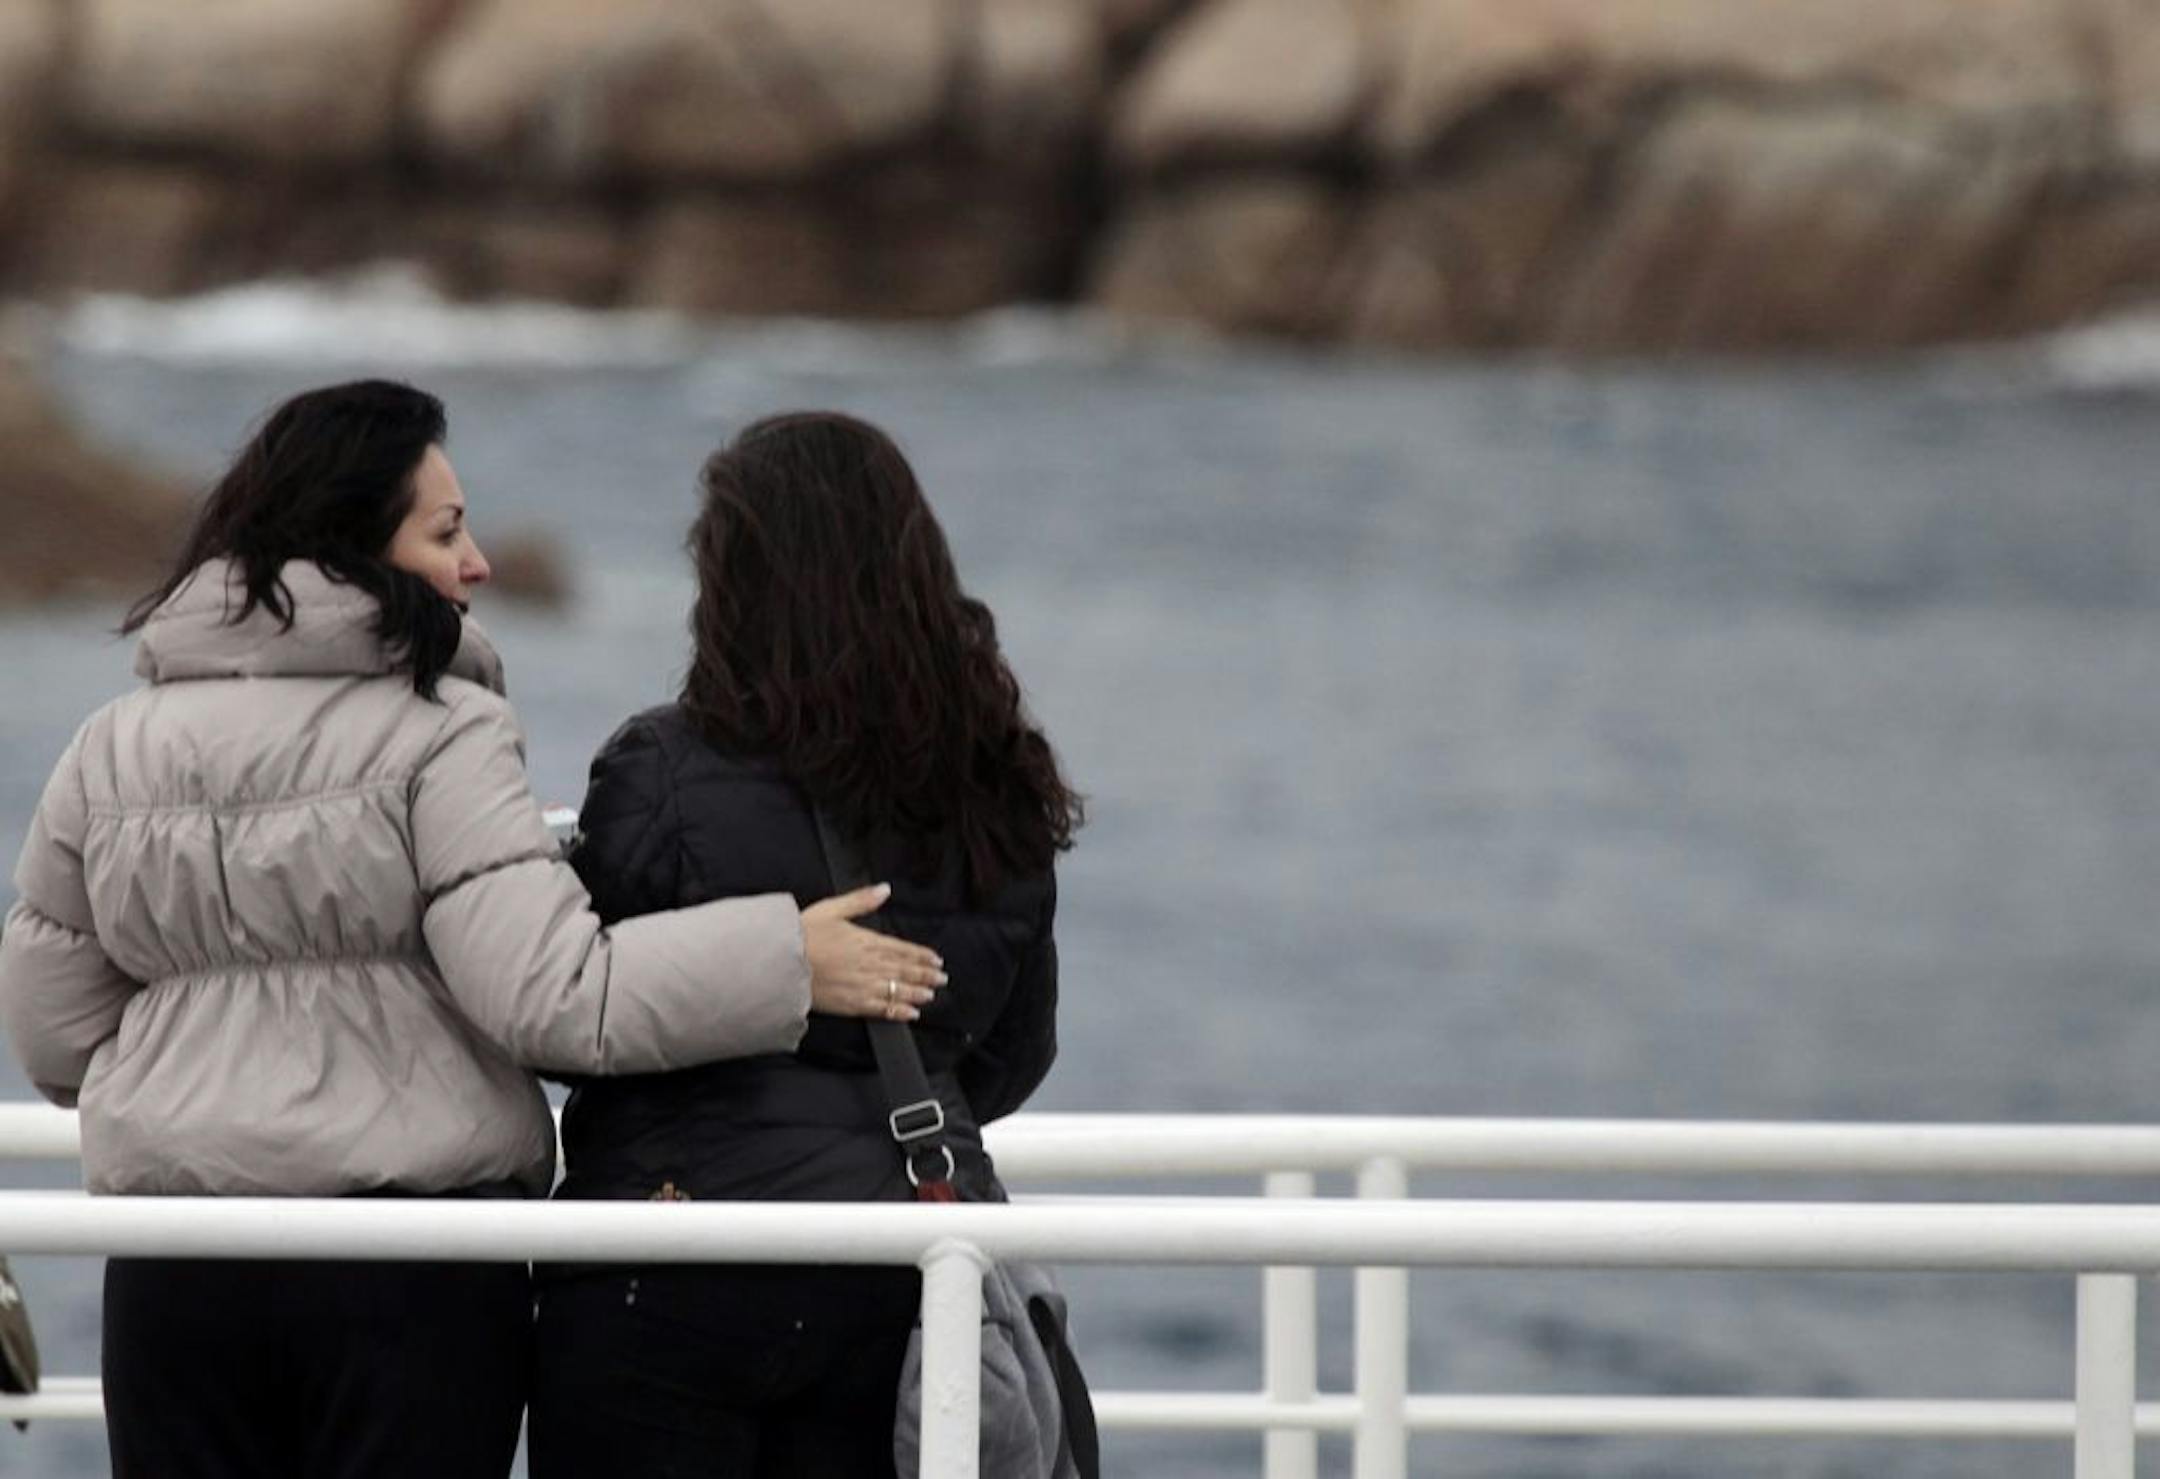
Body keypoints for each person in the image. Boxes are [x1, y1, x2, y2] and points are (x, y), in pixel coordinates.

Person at [0, 380, 945, 1479]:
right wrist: (787, 957)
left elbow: (53, 1035)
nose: (479, 562)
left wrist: (202, 1083)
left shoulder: (109, 744)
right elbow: (553, 997)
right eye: (446, 531)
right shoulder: (441, 731)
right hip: (410, 1268)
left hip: (174, 1271)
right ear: (356, 544)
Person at [528, 411, 1082, 1478]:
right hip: (899, 1271)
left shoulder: (660, 771)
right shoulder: (994, 784)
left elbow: (570, 1014)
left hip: (665, 1263)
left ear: (730, 581)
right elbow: (1012, 1058)